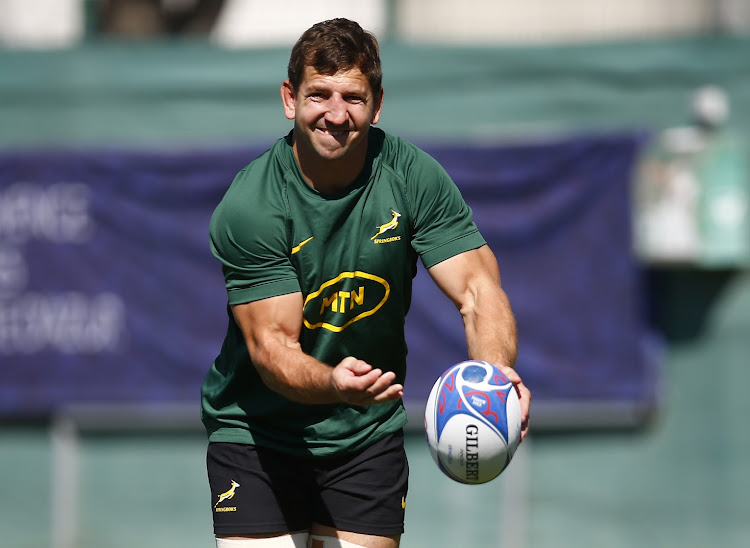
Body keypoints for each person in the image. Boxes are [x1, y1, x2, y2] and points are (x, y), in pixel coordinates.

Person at [201, 17, 531, 548]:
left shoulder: (413, 177)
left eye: (353, 97)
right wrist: (333, 382)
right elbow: (271, 349)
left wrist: (494, 376)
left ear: (377, 105)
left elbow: (477, 289)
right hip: (257, 433)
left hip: (364, 434)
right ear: (290, 99)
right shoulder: (252, 206)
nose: (336, 114)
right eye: (319, 94)